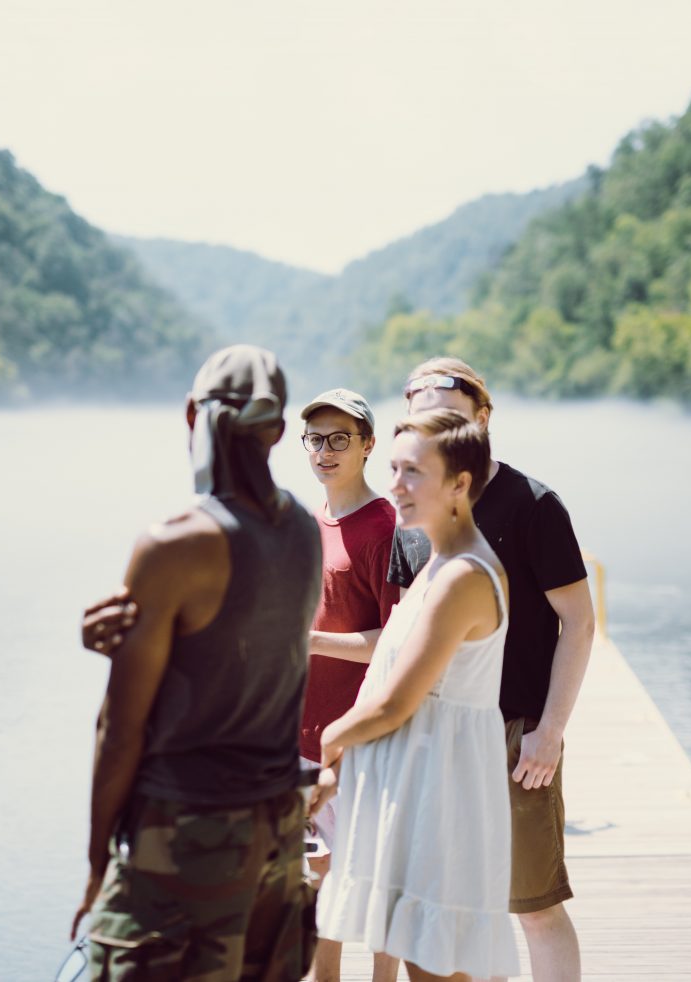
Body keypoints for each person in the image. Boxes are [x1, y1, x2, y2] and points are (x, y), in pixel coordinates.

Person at [70, 344, 323, 981]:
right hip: (277, 834)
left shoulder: (175, 543)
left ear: (191, 415)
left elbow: (119, 728)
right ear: (280, 428)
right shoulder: (303, 530)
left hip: (186, 837)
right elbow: (238, 643)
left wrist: (99, 863)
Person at [387, 358, 594, 982]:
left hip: (513, 734)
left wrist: (550, 730)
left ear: (482, 419)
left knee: (534, 907)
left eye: (451, 417)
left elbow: (579, 623)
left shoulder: (533, 505)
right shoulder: (415, 510)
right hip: (437, 736)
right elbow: (407, 635)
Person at [312, 407, 520, 982]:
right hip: (410, 776)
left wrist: (329, 743)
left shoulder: (463, 577)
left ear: (460, 484)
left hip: (441, 788)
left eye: (414, 473)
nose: (397, 486)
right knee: (425, 952)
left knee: (438, 962)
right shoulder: (435, 562)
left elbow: (395, 703)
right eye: (395, 469)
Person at [297, 389, 400, 982]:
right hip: (302, 737)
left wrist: (309, 641)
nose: (326, 450)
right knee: (314, 891)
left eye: (341, 438)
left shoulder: (385, 527)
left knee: (374, 888)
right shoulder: (307, 524)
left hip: (363, 739)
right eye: (316, 438)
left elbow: (399, 640)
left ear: (368, 445)